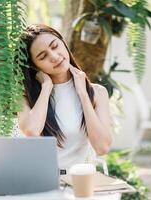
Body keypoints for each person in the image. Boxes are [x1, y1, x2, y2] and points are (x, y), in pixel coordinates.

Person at [14, 24, 112, 170]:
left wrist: (83, 95)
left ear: (63, 43)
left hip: (75, 181)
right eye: (43, 56)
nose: (54, 57)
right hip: (34, 179)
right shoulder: (22, 96)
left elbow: (102, 147)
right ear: (34, 66)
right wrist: (46, 88)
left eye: (55, 46)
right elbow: (32, 131)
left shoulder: (97, 93)